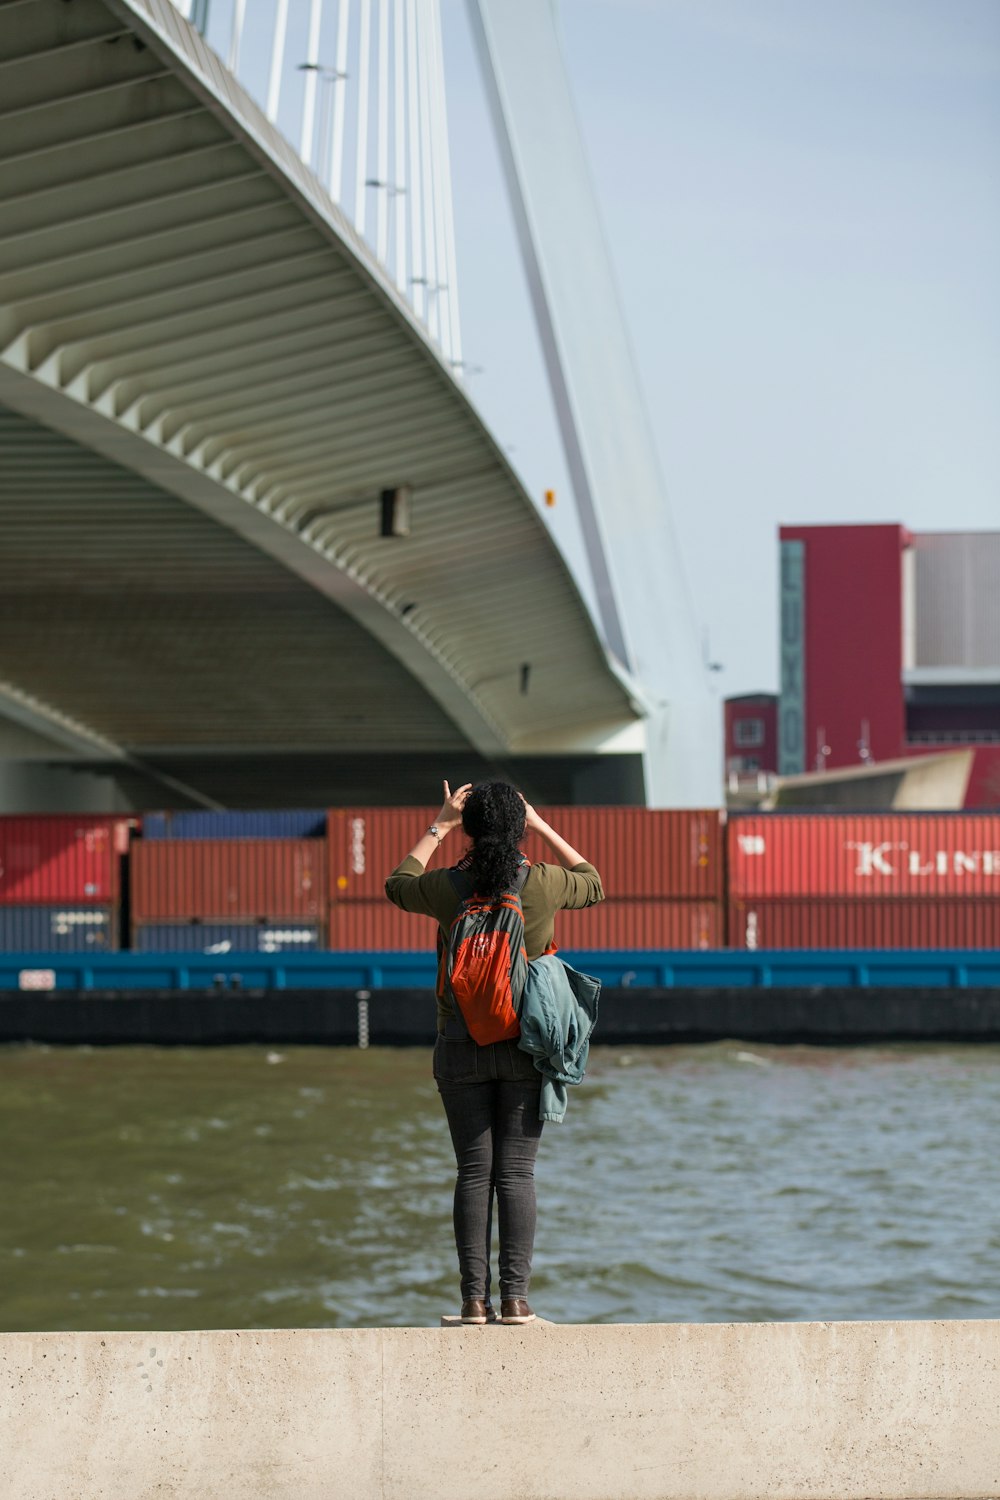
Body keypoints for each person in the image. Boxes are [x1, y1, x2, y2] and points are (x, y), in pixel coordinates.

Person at [384, 780, 604, 1325]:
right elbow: (593, 882)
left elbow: (397, 884)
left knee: (474, 1172)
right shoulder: (543, 884)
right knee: (517, 1175)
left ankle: (473, 1303)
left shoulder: (446, 887)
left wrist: (440, 823)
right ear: (518, 827)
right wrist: (541, 823)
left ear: (471, 828)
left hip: (460, 1044)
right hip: (526, 1045)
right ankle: (516, 1301)